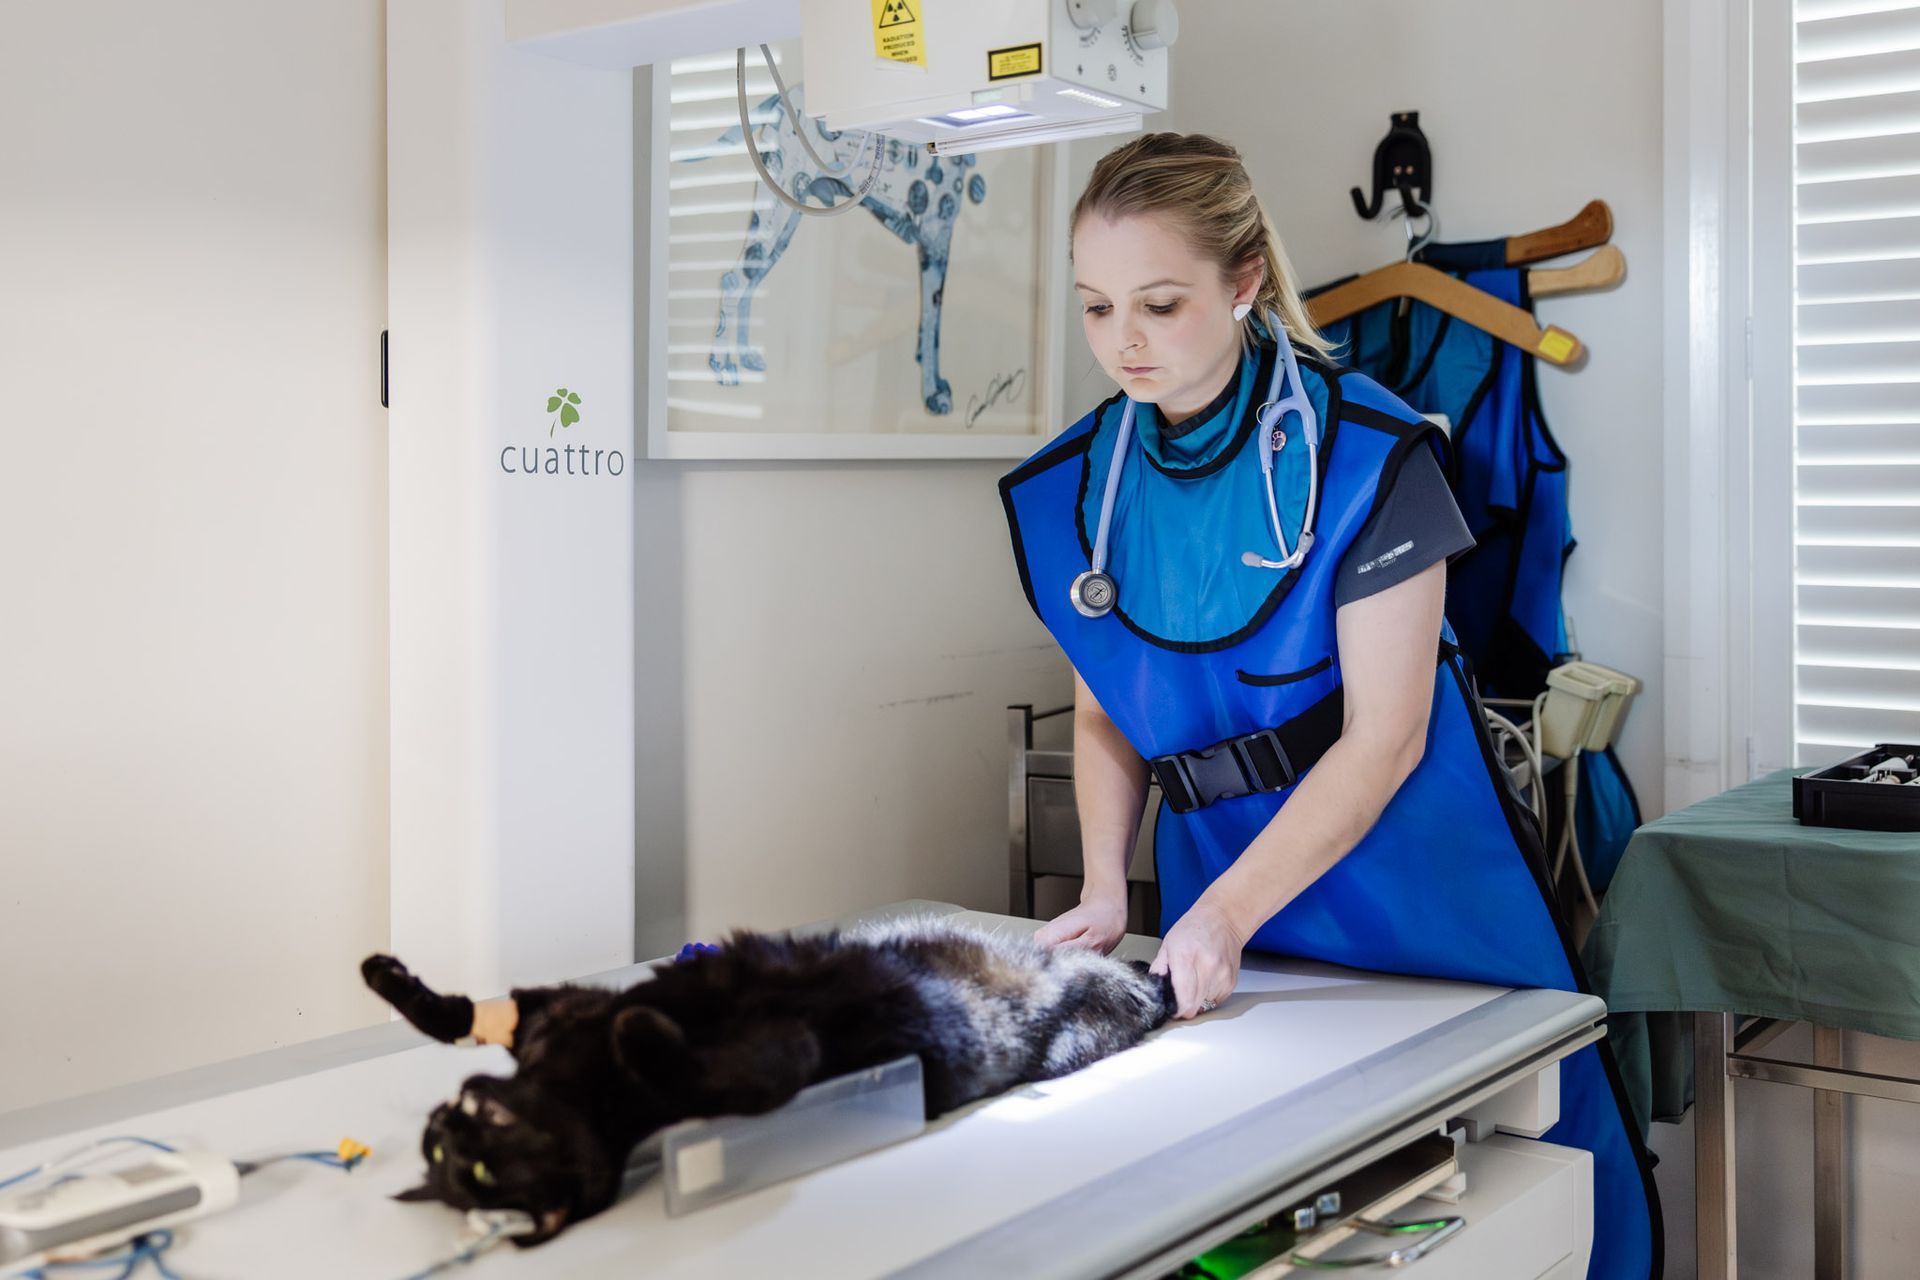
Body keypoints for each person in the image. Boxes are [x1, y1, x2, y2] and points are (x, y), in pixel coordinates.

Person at [999, 132, 1659, 1279]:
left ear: (1245, 281)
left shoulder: (1368, 453)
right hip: (1225, 886)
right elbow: (1106, 703)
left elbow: (1389, 734)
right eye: (1098, 308)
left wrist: (1224, 913)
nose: (1124, 343)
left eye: (1159, 303)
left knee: (1515, 1166)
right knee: (1275, 1193)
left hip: (1416, 875)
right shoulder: (1083, 481)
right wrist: (1112, 883)